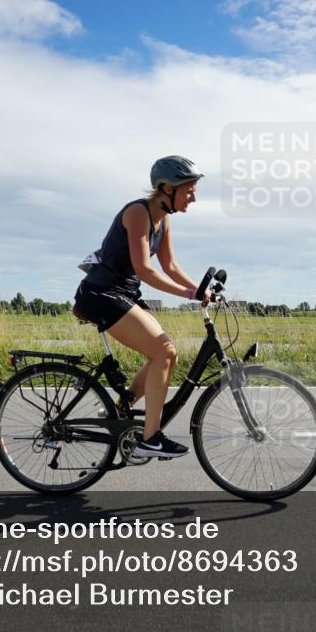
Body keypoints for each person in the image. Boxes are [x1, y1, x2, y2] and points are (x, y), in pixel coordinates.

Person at [73, 155, 206, 458]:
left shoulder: (164, 219)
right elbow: (145, 269)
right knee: (164, 352)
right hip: (101, 293)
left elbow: (170, 265)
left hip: (125, 292)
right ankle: (151, 437)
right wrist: (187, 294)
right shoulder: (138, 213)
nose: (194, 197)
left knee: (165, 354)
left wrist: (199, 289)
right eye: (189, 190)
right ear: (166, 188)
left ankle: (123, 407)